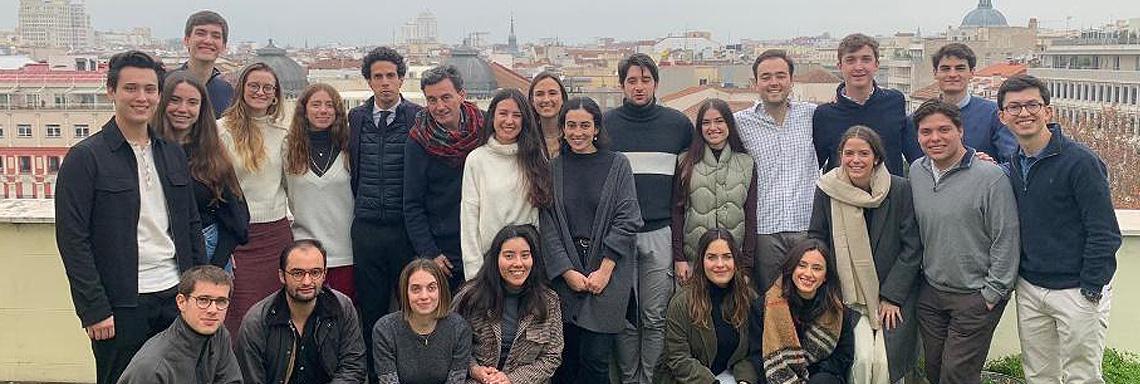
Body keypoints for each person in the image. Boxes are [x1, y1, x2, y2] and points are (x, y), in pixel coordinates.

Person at [55, 51, 203, 384]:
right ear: (111, 91)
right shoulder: (85, 158)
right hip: (121, 304)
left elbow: (190, 225)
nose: (142, 97)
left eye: (150, 89)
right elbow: (72, 240)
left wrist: (197, 289)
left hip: (174, 294)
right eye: (131, 88)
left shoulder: (171, 154)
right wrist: (94, 309)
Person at [998, 75, 1122, 384]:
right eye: (1014, 107)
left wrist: (1091, 287)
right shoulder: (1012, 165)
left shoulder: (1080, 162)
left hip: (1077, 290)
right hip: (1030, 287)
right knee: (1039, 375)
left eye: (1032, 105)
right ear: (1002, 117)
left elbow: (1104, 232)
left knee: (1082, 377)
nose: (1023, 113)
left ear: (1048, 112)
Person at [910, 99, 1020, 384]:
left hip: (975, 296)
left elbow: (1005, 237)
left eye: (944, 129)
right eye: (926, 132)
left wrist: (992, 294)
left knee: (957, 375)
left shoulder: (991, 177)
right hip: (932, 292)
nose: (935, 138)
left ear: (961, 131)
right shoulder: (916, 171)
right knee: (934, 372)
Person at [604, 52, 694, 384]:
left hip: (661, 232)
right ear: (621, 85)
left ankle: (651, 379)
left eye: (645, 80)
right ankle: (629, 379)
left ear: (656, 83)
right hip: (619, 237)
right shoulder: (606, 125)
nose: (639, 87)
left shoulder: (678, 125)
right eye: (631, 81)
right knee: (626, 318)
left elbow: (687, 182)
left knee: (656, 316)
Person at [808, 126, 922, 383]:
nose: (856, 160)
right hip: (846, 295)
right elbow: (817, 237)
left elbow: (912, 247)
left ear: (877, 158)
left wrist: (892, 296)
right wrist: (830, 286)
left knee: (884, 362)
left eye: (864, 153)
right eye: (849, 153)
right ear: (840, 156)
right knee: (860, 360)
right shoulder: (828, 189)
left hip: (892, 295)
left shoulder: (899, 189)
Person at [542, 97, 643, 384]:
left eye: (585, 125)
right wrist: (567, 271)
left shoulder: (618, 165)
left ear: (597, 128)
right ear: (562, 129)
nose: (578, 132)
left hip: (608, 277)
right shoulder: (553, 168)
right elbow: (547, 224)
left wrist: (604, 270)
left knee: (596, 362)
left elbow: (628, 218)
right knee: (565, 362)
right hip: (565, 279)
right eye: (571, 125)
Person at [347, 46, 423, 382]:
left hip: (404, 229)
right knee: (372, 311)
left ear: (402, 78)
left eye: (391, 76)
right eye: (378, 76)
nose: (385, 83)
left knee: (412, 308)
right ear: (368, 81)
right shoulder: (356, 119)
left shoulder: (418, 117)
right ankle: (377, 376)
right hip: (366, 229)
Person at [219, 62, 294, 334]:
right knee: (238, 318)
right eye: (254, 86)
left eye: (267, 87)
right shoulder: (220, 131)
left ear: (275, 95)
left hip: (276, 235)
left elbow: (290, 186)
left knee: (275, 317)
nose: (260, 92)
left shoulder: (283, 134)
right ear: (242, 89)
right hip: (237, 236)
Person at [734, 49, 819, 290]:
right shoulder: (740, 122)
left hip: (806, 226)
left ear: (791, 80)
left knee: (808, 300)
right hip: (764, 230)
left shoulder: (812, 115)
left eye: (780, 75)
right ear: (755, 83)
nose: (774, 82)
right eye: (766, 76)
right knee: (770, 302)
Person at [154, 71, 249, 270]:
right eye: (175, 100)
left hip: (208, 251)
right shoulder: (147, 150)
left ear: (201, 108)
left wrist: (214, 265)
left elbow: (238, 218)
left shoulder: (212, 154)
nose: (183, 109)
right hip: (157, 252)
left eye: (192, 102)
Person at [236, 240, 366, 383]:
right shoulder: (257, 321)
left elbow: (353, 367)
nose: (307, 281)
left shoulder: (342, 307)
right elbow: (251, 379)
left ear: (324, 274)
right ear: (281, 276)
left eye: (315, 272)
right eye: (297, 273)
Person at [405, 65, 484, 290]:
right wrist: (430, 253)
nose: (439, 106)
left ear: (462, 95)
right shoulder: (418, 140)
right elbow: (412, 204)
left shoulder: (485, 127)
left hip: (483, 244)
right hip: (444, 255)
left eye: (446, 97)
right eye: (432, 100)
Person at [454, 224, 564, 384]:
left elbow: (551, 356)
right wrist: (475, 369)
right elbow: (452, 344)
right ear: (496, 258)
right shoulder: (471, 296)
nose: (518, 263)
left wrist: (512, 380)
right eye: (509, 256)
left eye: (525, 255)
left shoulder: (549, 301)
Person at [461, 89, 551, 279]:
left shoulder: (536, 157)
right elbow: (469, 219)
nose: (509, 121)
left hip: (527, 263)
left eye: (516, 115)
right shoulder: (477, 160)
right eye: (503, 113)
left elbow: (542, 215)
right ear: (492, 116)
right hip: (489, 264)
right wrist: (473, 273)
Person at [671, 98, 757, 287]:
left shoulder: (746, 163)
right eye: (706, 122)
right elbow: (677, 212)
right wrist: (679, 258)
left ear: (729, 124)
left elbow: (750, 216)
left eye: (719, 121)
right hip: (694, 258)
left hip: (732, 260)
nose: (713, 128)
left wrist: (747, 265)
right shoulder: (685, 162)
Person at [656, 229, 759, 384]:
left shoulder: (748, 298)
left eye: (727, 257)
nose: (720, 264)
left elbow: (753, 352)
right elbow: (678, 358)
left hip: (730, 377)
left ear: (736, 261)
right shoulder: (681, 302)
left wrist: (745, 380)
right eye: (711, 257)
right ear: (701, 261)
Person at [814, 33, 922, 176]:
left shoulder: (895, 102)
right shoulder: (825, 115)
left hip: (891, 196)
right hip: (843, 197)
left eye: (865, 59)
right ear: (840, 66)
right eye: (850, 60)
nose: (858, 67)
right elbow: (814, 165)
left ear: (876, 65)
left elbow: (915, 158)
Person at [285, 83, 356, 298]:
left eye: (329, 105)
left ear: (338, 111)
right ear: (304, 110)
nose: (323, 110)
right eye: (316, 104)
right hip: (303, 252)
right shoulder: (287, 149)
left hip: (346, 252)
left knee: (344, 317)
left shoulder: (350, 148)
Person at [750, 239, 855, 384]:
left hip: (822, 378)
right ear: (792, 268)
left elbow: (843, 356)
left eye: (817, 268)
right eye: (802, 265)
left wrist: (807, 375)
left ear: (825, 276)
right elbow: (756, 355)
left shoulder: (837, 311)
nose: (808, 273)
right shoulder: (763, 306)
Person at [117, 266, 242, 383]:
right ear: (181, 302)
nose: (213, 310)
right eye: (203, 300)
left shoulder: (218, 334)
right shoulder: (153, 368)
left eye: (221, 301)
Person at [909, 43, 1016, 161]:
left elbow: (1012, 163)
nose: (952, 74)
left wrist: (991, 168)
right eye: (946, 69)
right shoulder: (919, 119)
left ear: (972, 72)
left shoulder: (994, 114)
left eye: (960, 68)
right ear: (935, 73)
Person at [372, 259, 473, 384]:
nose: (424, 296)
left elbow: (456, 381)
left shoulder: (459, 328)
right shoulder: (385, 329)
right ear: (405, 292)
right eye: (416, 289)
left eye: (431, 288)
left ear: (441, 291)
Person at [180, 10, 233, 118]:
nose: (208, 41)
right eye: (201, 33)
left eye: (216, 36)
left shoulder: (229, 93)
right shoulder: (165, 85)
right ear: (186, 40)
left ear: (223, 46)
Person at [528, 72, 569, 157]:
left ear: (563, 99)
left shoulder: (574, 136)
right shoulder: (525, 138)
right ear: (532, 101)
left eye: (552, 93)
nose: (546, 99)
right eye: (540, 94)